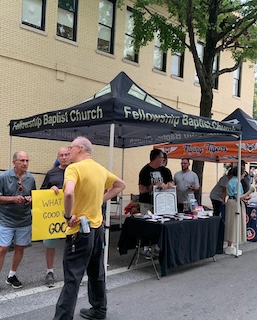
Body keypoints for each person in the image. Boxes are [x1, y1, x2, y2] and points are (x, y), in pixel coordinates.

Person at [53, 136, 125, 320]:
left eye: (70, 148)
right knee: (96, 272)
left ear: (79, 148)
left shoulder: (73, 168)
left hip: (78, 231)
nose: (68, 152)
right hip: (97, 230)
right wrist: (100, 199)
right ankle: (99, 310)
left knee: (72, 278)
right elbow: (120, 185)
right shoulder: (100, 169)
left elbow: (68, 192)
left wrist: (68, 216)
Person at [0, 151, 36, 289]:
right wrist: (13, 199)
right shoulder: (3, 177)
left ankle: (12, 275)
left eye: (27, 160)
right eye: (22, 160)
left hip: (24, 220)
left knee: (20, 247)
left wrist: (31, 200)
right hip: (5, 219)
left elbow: (34, 196)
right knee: (3, 248)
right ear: (14, 162)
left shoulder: (31, 179)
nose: (25, 163)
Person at [40, 147, 70, 288]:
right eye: (61, 155)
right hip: (54, 216)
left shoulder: (77, 171)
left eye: (66, 155)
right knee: (51, 244)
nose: (64, 157)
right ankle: (49, 272)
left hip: (72, 215)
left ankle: (72, 273)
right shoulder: (51, 173)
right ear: (57, 157)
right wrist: (50, 190)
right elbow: (41, 192)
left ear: (70, 156)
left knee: (73, 244)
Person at [224, 166, 255, 256]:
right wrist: (250, 192)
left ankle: (231, 245)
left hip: (232, 201)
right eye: (243, 173)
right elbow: (238, 196)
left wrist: (245, 197)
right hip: (234, 203)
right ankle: (230, 246)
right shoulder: (237, 182)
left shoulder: (233, 181)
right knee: (234, 223)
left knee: (232, 223)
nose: (244, 174)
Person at [138, 149, 173, 214]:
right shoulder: (145, 171)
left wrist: (170, 184)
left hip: (161, 203)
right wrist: (154, 185)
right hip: (147, 203)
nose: (163, 160)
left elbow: (171, 182)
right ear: (157, 158)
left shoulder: (165, 170)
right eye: (162, 157)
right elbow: (141, 190)